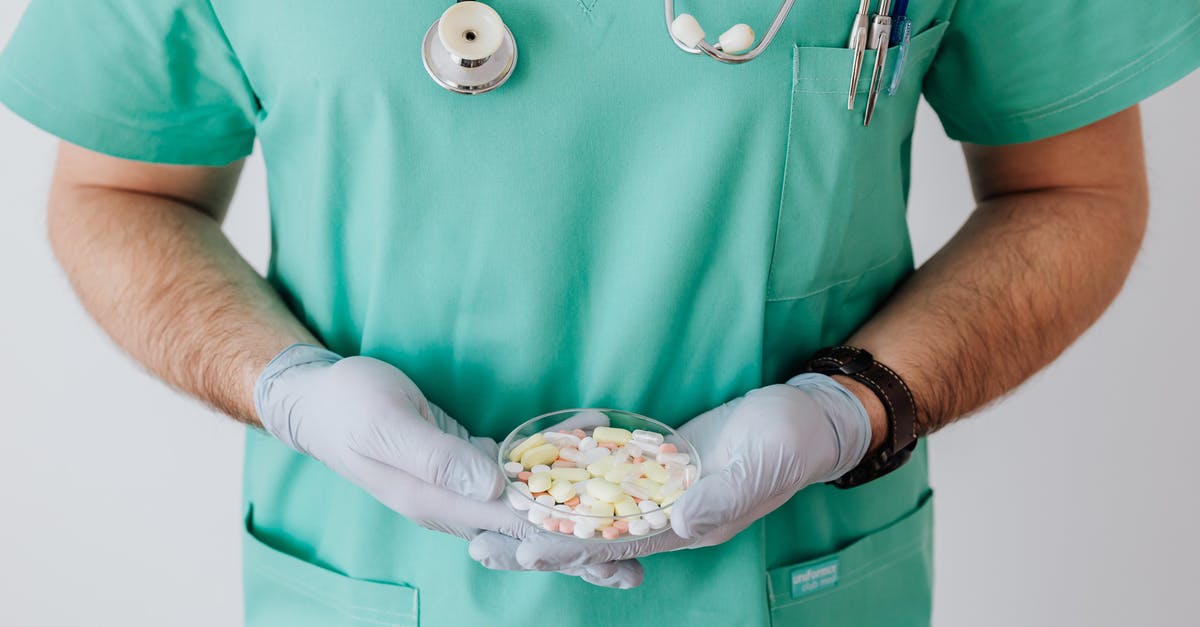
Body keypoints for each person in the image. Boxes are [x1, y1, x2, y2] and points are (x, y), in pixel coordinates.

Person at [2, 1, 1197, 625]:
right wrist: (289, 391)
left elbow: (1072, 191)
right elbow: (119, 189)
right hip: (373, 590)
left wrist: (853, 408)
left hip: (792, 594)